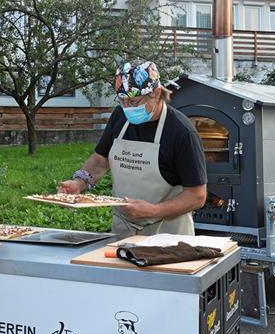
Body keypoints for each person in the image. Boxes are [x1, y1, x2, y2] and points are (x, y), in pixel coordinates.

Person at [58, 60, 207, 236]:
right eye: (123, 101)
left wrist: (153, 210)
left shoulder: (182, 132)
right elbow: (100, 160)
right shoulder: (120, 116)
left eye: (135, 102)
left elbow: (197, 195)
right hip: (124, 231)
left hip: (168, 235)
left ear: (157, 93)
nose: (128, 108)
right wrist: (79, 182)